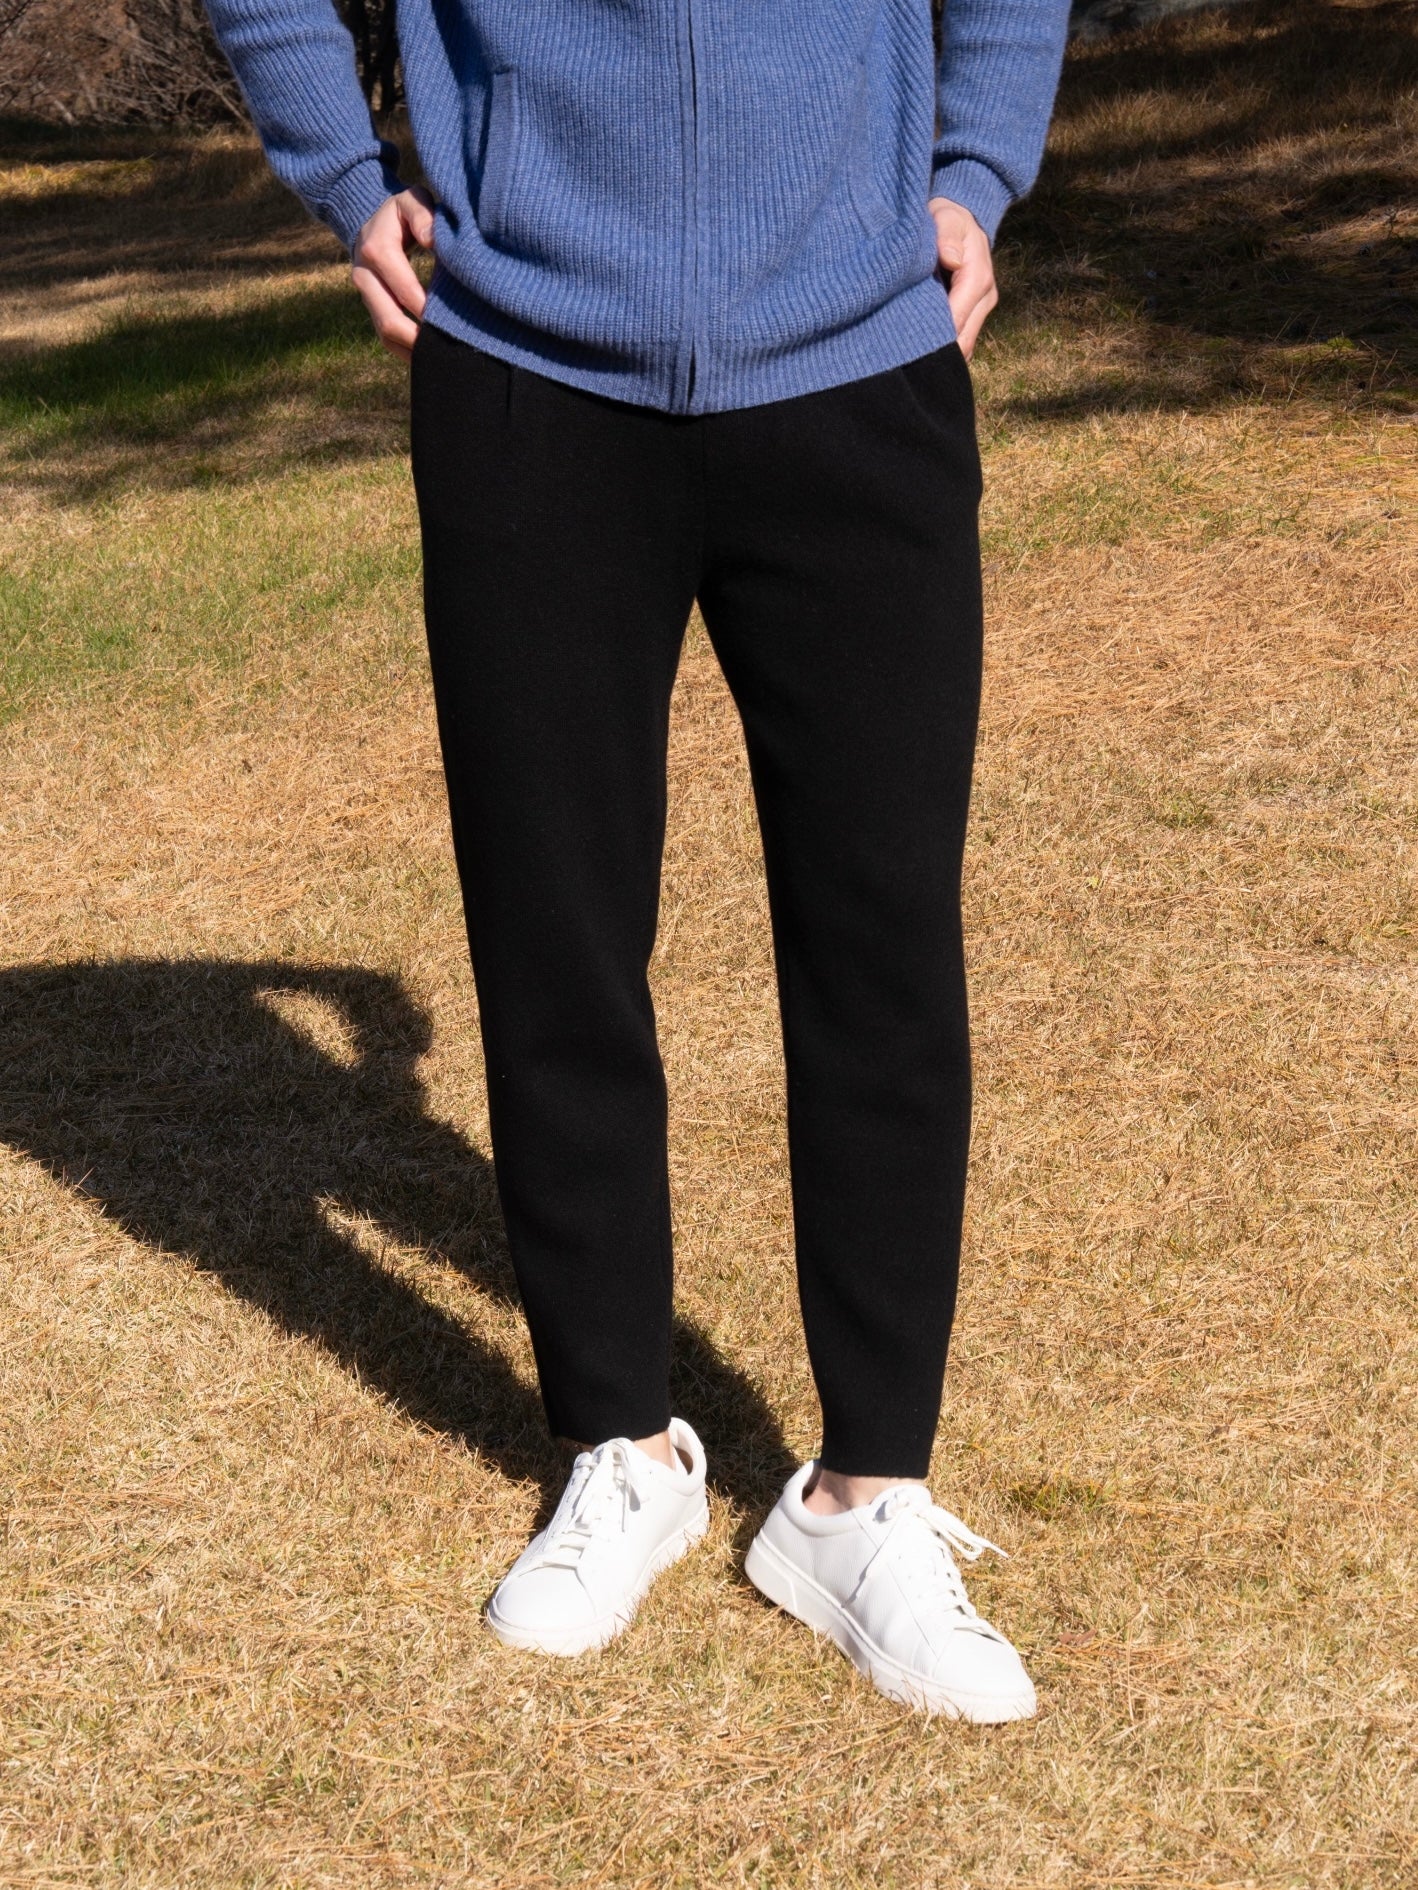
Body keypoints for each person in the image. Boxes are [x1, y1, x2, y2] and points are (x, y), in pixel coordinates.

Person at [203, 0, 1069, 1722]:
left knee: (882, 945)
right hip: (529, 375)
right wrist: (342, 174)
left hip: (856, 365)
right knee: (558, 939)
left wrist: (975, 167)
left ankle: (862, 1498)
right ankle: (621, 1441)